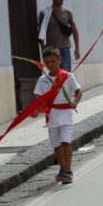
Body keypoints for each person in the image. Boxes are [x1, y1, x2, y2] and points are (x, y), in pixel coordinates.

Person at [32, 47, 82, 183]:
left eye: (53, 61)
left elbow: (78, 91)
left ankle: (68, 170)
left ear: (60, 60)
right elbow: (39, 99)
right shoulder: (42, 79)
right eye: (47, 62)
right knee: (56, 145)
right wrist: (36, 110)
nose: (50, 65)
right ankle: (62, 168)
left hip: (66, 115)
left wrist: (74, 102)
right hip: (52, 116)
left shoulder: (68, 76)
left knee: (66, 141)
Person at [37, 0, 80, 71]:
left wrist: (77, 48)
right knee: (54, 72)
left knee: (66, 72)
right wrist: (42, 48)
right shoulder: (45, 13)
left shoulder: (67, 12)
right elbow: (41, 32)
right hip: (51, 49)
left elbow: (75, 30)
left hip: (65, 47)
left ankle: (65, 85)